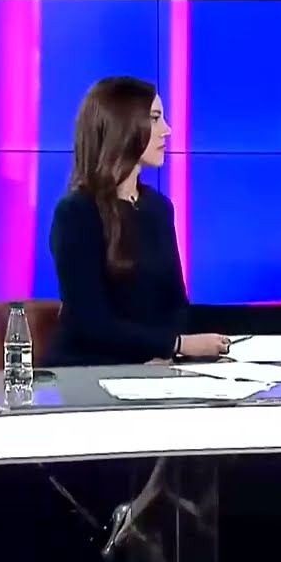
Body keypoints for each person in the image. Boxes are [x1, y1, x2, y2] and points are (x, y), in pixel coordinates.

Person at [44, 76, 228, 367]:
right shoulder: (76, 212)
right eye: (154, 118)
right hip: (87, 369)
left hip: (154, 367)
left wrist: (164, 354)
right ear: (122, 126)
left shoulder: (158, 207)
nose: (167, 129)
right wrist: (175, 344)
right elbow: (89, 324)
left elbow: (175, 304)